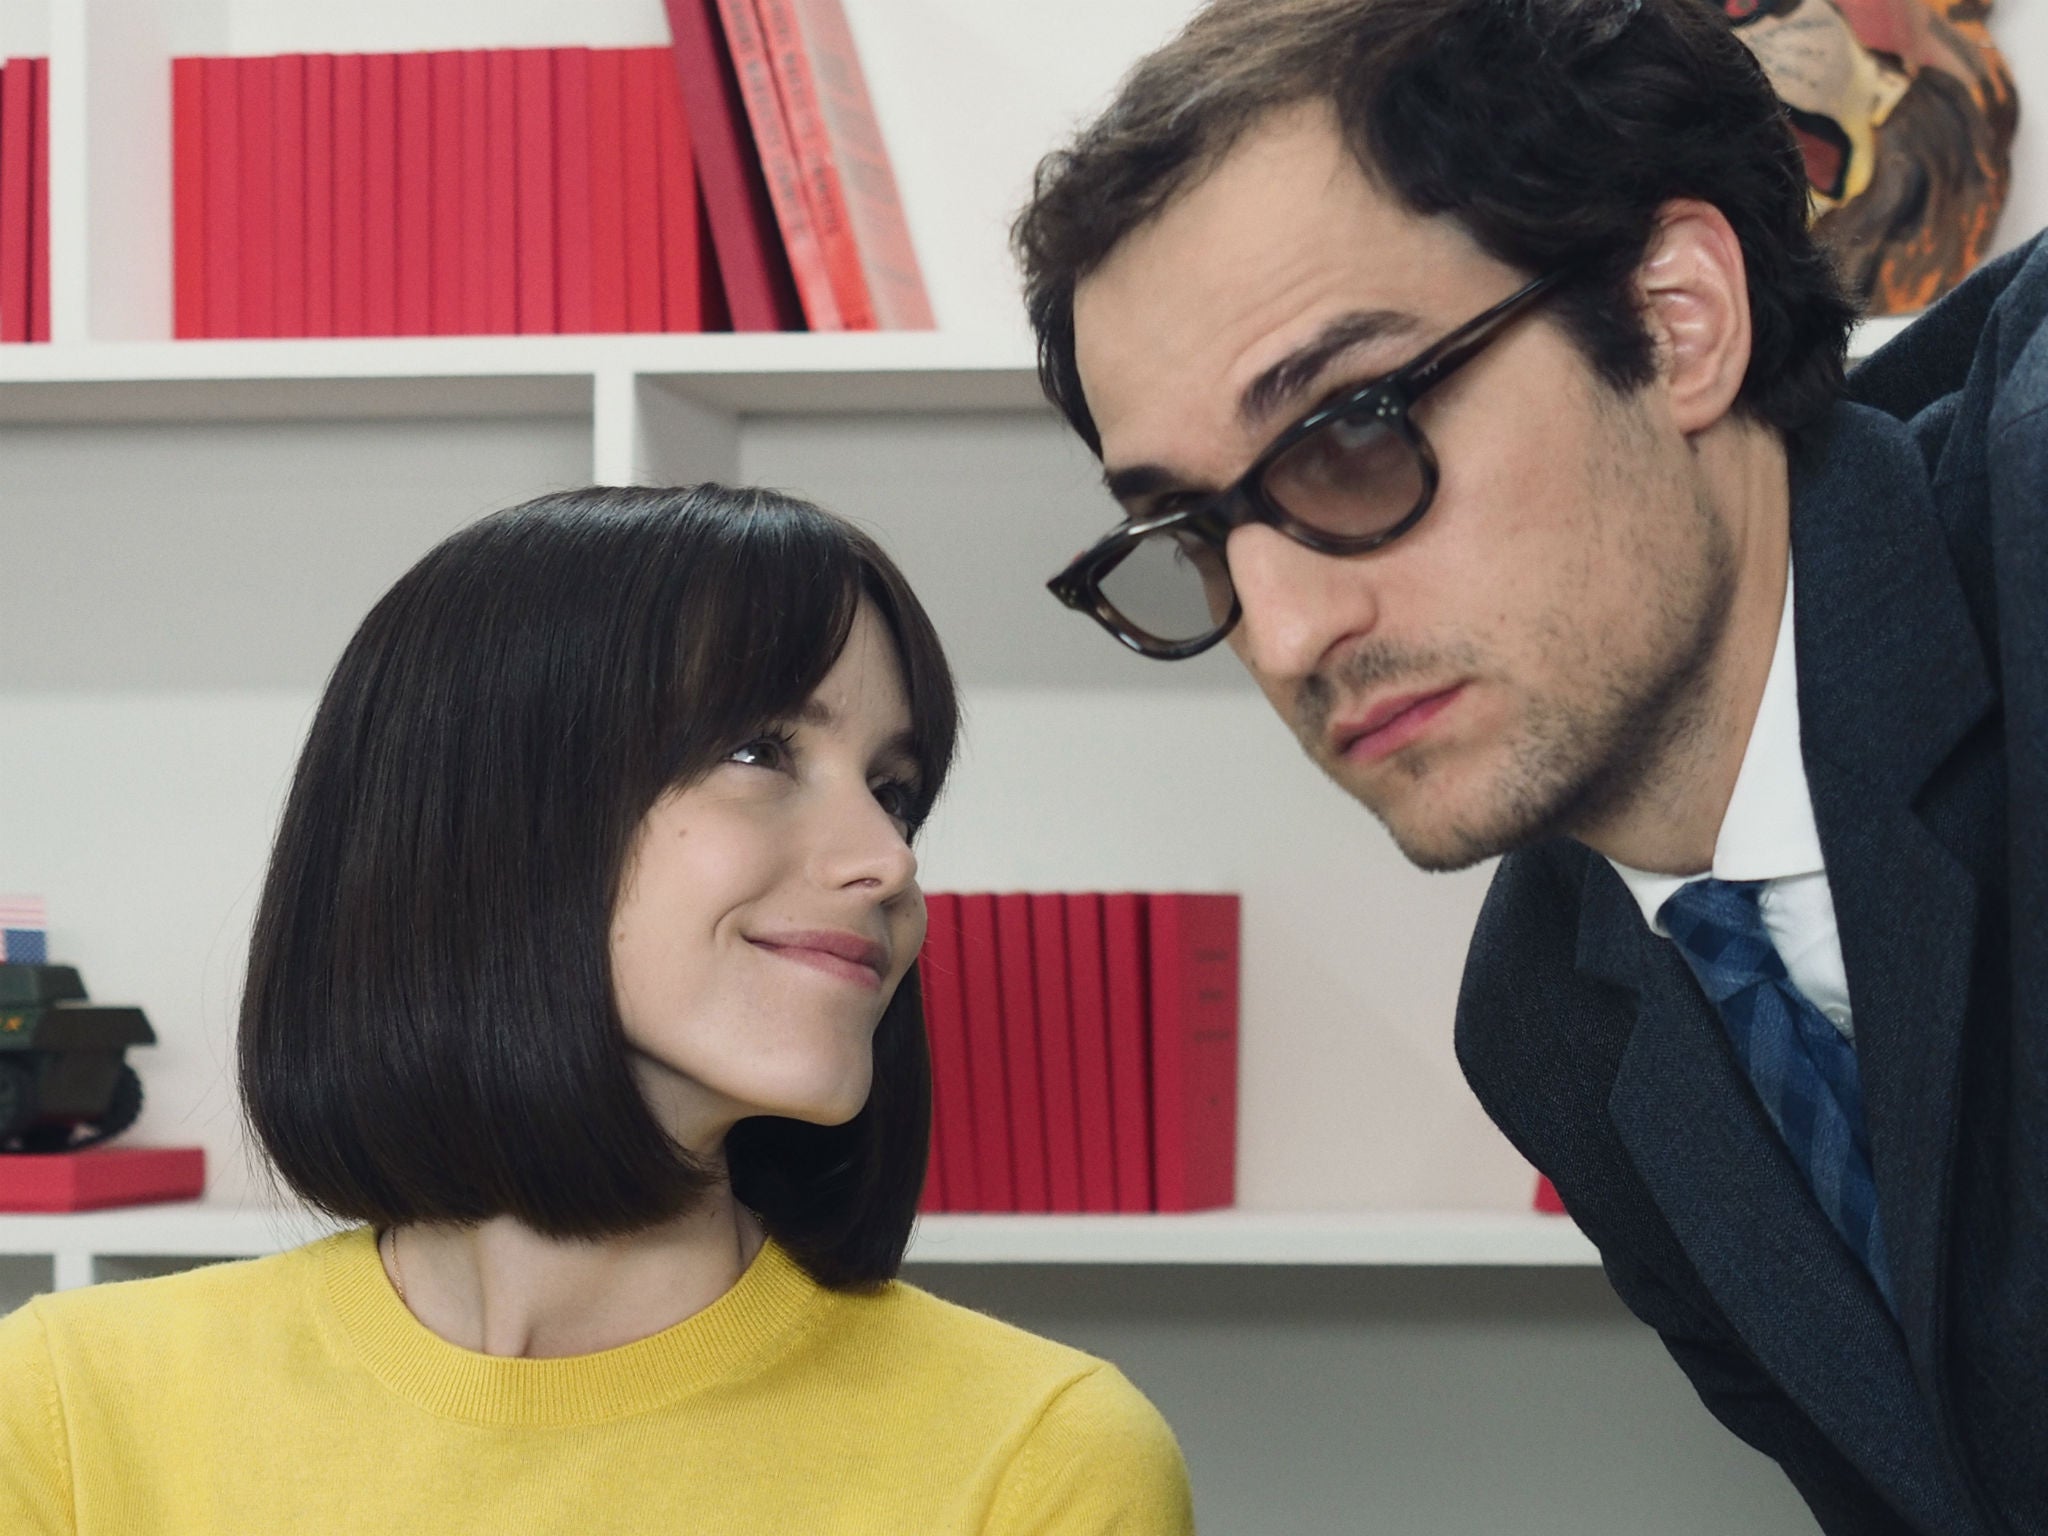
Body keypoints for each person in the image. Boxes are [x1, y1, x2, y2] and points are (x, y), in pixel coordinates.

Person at [1013, 0, 2045, 1530]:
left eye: (1352, 431)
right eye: (1194, 529)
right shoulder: (1549, 1014)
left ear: (1677, 321)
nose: (1286, 632)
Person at [0, 484, 1193, 1534]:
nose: (887, 859)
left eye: (895, 790)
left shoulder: (1040, 1460)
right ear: (484, 809)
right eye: (761, 750)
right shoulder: (64, 1408)